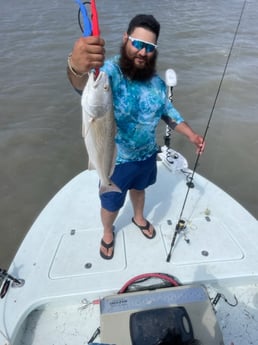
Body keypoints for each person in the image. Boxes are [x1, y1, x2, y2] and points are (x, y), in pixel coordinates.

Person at [67, 14, 205, 260]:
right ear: (125, 39)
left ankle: (138, 217)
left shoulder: (156, 83)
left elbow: (168, 113)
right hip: (115, 160)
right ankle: (108, 231)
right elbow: (83, 84)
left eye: (149, 47)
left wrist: (192, 134)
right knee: (110, 203)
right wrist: (76, 66)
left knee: (140, 190)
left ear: (155, 50)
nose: (142, 52)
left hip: (146, 155)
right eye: (137, 43)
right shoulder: (109, 73)